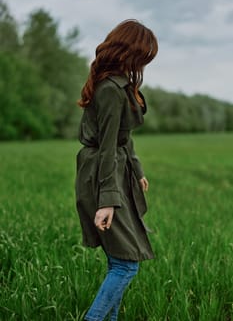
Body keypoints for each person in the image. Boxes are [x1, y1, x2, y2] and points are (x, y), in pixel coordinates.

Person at [75, 19, 158, 321]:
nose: (144, 63)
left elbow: (124, 138)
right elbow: (108, 146)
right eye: (143, 56)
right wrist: (107, 200)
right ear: (128, 52)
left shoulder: (120, 84)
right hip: (103, 174)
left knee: (118, 263)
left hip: (113, 171)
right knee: (126, 266)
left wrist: (137, 170)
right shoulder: (110, 89)